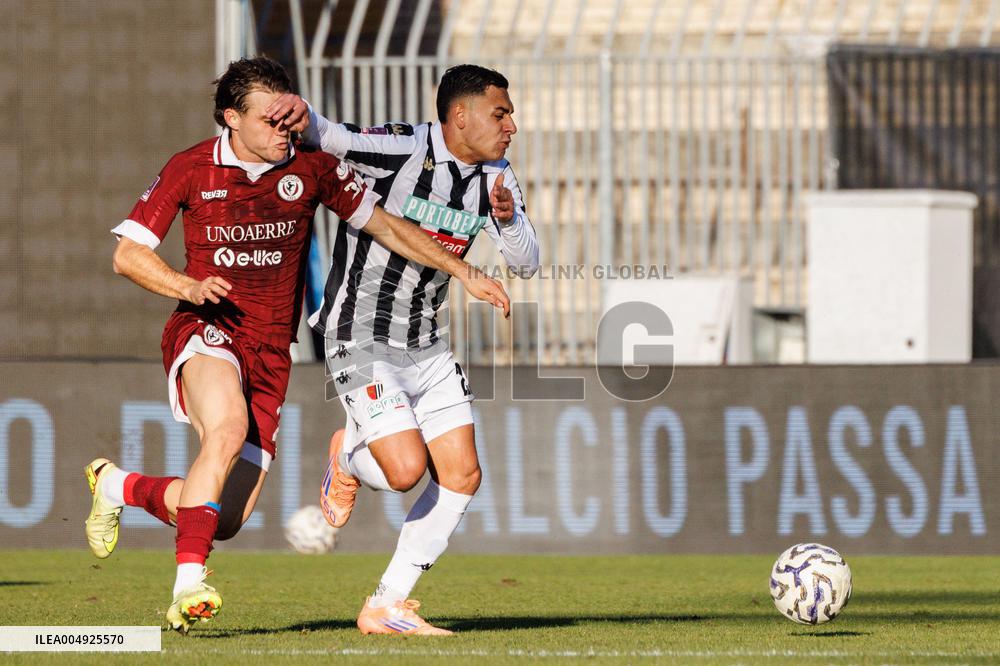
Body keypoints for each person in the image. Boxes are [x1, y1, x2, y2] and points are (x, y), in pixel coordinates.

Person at [84, 56, 509, 634]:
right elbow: (126, 254)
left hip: (271, 349)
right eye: (268, 120)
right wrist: (187, 285)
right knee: (227, 429)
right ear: (231, 118)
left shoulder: (312, 168)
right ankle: (189, 585)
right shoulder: (190, 168)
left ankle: (118, 485)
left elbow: (386, 225)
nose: (281, 130)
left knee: (226, 517)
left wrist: (460, 270)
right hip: (207, 329)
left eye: (287, 119)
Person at [266, 64, 538, 636]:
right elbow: (334, 136)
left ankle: (387, 603)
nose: (511, 124)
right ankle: (346, 458)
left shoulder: (497, 176)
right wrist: (299, 112)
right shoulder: (402, 148)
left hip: (427, 342)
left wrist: (509, 221)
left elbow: (527, 261)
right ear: (459, 116)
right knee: (406, 471)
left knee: (463, 475)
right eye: (501, 113)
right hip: (360, 334)